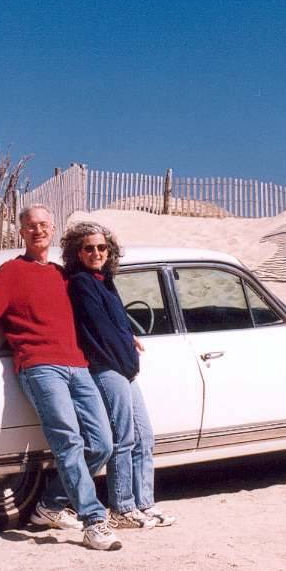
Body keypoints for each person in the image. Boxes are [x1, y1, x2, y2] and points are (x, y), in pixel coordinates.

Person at [0, 205, 122, 551]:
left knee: (102, 444)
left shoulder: (63, 275)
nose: (38, 230)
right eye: (31, 226)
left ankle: (50, 505)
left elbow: (95, 314)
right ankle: (93, 521)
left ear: (53, 229)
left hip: (78, 366)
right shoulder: (11, 272)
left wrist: (125, 338)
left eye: (43, 225)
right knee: (68, 441)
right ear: (22, 232)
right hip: (40, 367)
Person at [61, 221, 177, 529]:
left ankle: (144, 504)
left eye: (101, 247)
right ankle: (122, 507)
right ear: (77, 252)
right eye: (88, 248)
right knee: (123, 439)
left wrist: (129, 338)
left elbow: (117, 322)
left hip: (122, 366)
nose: (96, 253)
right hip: (107, 367)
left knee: (144, 437)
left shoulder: (104, 280)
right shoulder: (82, 283)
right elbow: (99, 329)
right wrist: (124, 349)